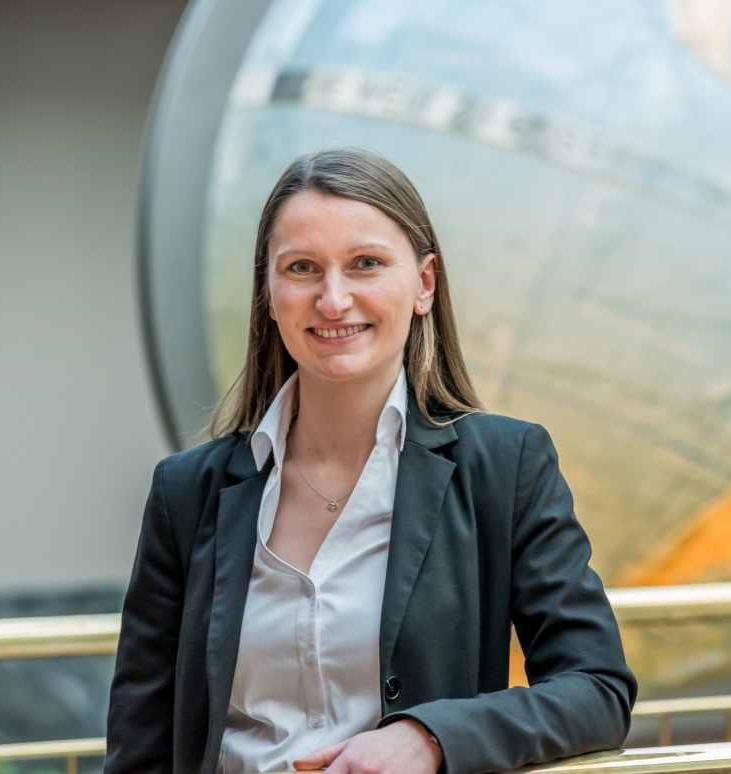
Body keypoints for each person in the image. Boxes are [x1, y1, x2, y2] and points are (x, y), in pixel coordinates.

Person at [105, 147, 637, 774]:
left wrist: (429, 738)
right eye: (302, 268)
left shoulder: (506, 467)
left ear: (424, 284)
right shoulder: (185, 493)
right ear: (270, 295)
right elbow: (141, 748)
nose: (333, 300)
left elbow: (597, 689)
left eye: (366, 264)